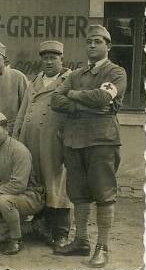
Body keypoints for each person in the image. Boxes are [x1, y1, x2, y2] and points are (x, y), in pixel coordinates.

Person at [51, 25, 127, 268]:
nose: (92, 45)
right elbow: (55, 100)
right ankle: (81, 240)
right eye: (89, 42)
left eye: (98, 41)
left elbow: (103, 98)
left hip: (102, 141)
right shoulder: (76, 74)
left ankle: (102, 246)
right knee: (78, 193)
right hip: (74, 140)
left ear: (108, 46)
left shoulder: (116, 72)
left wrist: (72, 96)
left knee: (104, 194)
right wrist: (81, 102)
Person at [13, 40, 72, 250]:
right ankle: (41, 225)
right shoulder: (35, 81)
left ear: (61, 59)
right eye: (45, 58)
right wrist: (17, 137)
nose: (48, 62)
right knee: (36, 183)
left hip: (54, 143)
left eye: (53, 58)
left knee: (57, 184)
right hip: (31, 142)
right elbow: (23, 112)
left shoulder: (68, 80)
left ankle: (60, 233)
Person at [0, 111, 45, 255]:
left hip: (29, 196)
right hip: (7, 197)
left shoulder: (18, 150)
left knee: (4, 201)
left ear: (6, 130)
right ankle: (31, 226)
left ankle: (17, 239)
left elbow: (19, 184)